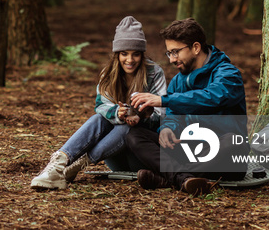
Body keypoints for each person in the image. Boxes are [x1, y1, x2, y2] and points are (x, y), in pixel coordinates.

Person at [30, 16, 167, 190]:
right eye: (124, 53)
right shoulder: (108, 74)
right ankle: (58, 165)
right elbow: (100, 107)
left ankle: (76, 167)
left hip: (140, 157)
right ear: (117, 54)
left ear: (142, 54)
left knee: (127, 128)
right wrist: (117, 113)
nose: (130, 60)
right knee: (98, 119)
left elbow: (161, 115)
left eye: (136, 54)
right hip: (113, 154)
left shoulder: (154, 73)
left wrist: (141, 118)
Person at [128, 18, 249, 196]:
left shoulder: (228, 74)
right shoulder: (178, 80)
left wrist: (163, 100)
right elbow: (173, 114)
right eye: (169, 53)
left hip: (223, 153)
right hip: (190, 150)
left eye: (176, 52)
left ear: (196, 48)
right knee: (135, 135)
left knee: (234, 142)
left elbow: (213, 97)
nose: (171, 59)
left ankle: (168, 178)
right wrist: (167, 128)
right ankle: (182, 178)